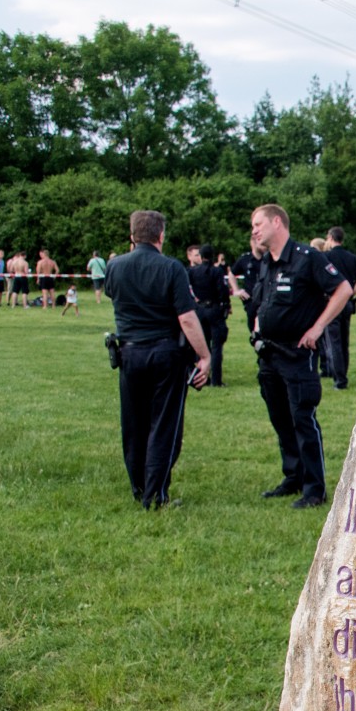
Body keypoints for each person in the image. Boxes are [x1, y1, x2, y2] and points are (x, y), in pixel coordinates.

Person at [105, 209, 211, 509]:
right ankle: (155, 494)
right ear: (160, 235)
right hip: (165, 353)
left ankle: (139, 487)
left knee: (134, 424)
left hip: (129, 352)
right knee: (163, 425)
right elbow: (187, 318)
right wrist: (204, 355)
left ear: (132, 236)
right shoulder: (171, 268)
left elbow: (116, 297)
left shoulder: (115, 267)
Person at [250, 204, 353, 509]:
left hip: (297, 354)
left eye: (258, 224)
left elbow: (343, 289)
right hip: (269, 353)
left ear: (277, 222)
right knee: (280, 419)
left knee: (302, 419)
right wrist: (258, 326)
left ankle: (314, 489)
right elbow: (263, 301)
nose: (254, 230)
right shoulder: (267, 262)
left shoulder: (307, 258)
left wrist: (318, 327)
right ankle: (293, 477)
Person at [323, 226, 356, 390]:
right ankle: (342, 373)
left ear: (331, 237)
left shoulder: (326, 257)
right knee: (344, 340)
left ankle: (339, 379)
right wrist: (347, 295)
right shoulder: (351, 257)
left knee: (334, 342)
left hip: (332, 303)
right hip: (347, 303)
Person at [188, 243, 231, 387]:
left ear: (200, 256)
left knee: (203, 345)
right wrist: (225, 304)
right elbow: (222, 291)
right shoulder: (216, 271)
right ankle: (216, 380)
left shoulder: (192, 272)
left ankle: (203, 378)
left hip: (200, 310)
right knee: (217, 346)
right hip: (213, 309)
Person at [228, 238, 264, 332]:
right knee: (253, 333)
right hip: (251, 302)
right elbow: (231, 274)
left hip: (265, 302)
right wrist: (236, 290)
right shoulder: (245, 259)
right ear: (253, 243)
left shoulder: (268, 259)